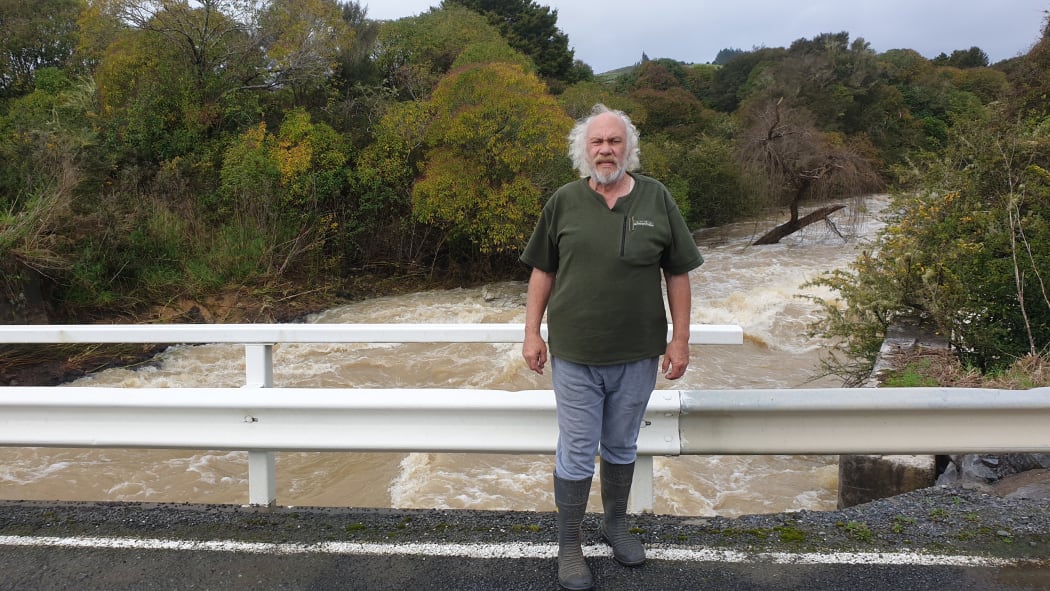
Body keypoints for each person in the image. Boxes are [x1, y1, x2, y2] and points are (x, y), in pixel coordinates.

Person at [520, 104, 704, 590]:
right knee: (578, 449)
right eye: (597, 142)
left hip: (639, 354)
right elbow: (543, 270)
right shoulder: (563, 201)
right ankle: (569, 543)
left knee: (622, 445)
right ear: (584, 150)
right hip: (576, 353)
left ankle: (616, 525)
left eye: (614, 141)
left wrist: (680, 340)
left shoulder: (656, 199)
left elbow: (678, 273)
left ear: (629, 149)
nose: (606, 149)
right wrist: (531, 332)